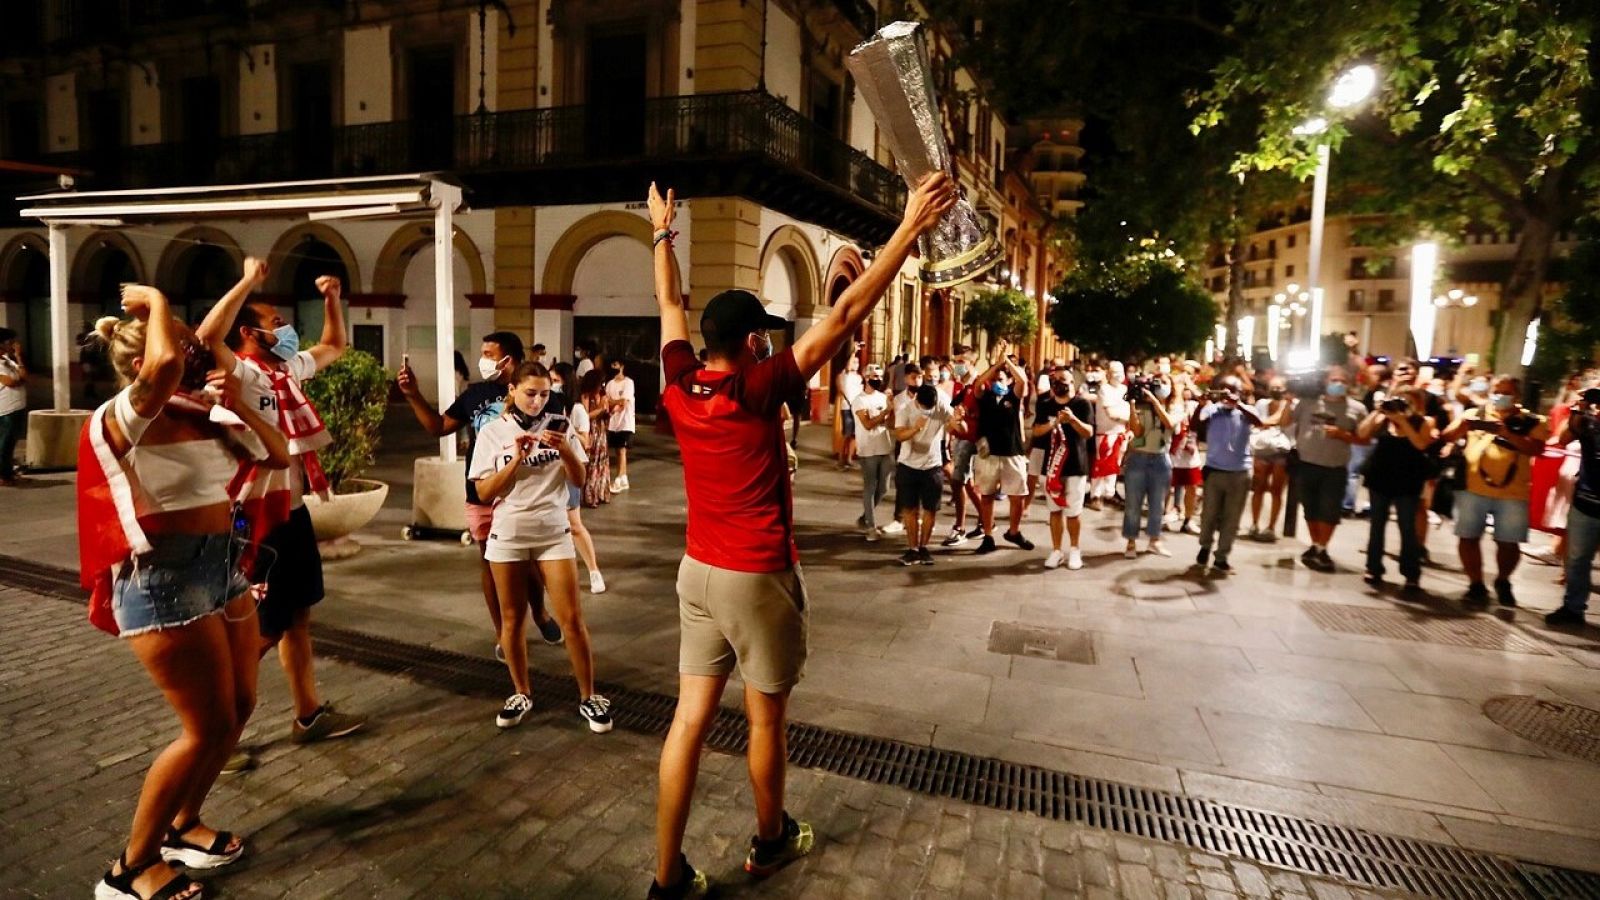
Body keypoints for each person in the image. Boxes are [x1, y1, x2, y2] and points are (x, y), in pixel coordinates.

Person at [648, 174, 955, 898]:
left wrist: (662, 230)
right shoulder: (755, 390)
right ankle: (769, 840)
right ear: (753, 340)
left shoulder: (679, 381)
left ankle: (666, 877)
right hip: (756, 578)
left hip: (697, 573)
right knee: (765, 719)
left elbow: (667, 303)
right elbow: (845, 312)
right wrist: (907, 229)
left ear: (708, 340)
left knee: (688, 719)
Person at [80, 286, 290, 900]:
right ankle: (130, 867)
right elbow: (168, 365)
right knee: (204, 726)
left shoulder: (200, 413)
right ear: (148, 362)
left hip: (221, 568)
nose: (198, 353)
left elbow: (277, 454)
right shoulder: (124, 418)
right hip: (163, 581)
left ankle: (183, 824)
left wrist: (239, 409)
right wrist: (155, 298)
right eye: (184, 341)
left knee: (240, 706)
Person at [196, 260, 365, 746]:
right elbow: (209, 337)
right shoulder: (241, 375)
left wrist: (333, 298)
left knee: (296, 617)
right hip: (254, 521)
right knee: (261, 630)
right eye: (275, 322)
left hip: (290, 514)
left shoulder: (283, 372)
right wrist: (248, 281)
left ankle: (308, 714)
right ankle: (214, 737)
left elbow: (334, 346)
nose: (286, 329)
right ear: (248, 332)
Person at [397, 332, 565, 656]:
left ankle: (540, 613)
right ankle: (502, 632)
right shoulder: (476, 394)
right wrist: (413, 394)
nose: (483, 359)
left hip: (523, 494)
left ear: (510, 360)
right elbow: (438, 426)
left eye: (490, 353)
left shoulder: (538, 395)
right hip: (483, 492)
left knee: (527, 561)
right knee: (490, 561)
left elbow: (557, 444)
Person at [469, 361, 612, 732]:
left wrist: (564, 449)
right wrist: (516, 458)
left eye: (544, 394)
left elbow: (578, 479)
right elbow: (483, 492)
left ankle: (589, 697)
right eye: (530, 393)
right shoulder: (492, 432)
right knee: (513, 619)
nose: (536, 402)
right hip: (508, 533)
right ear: (512, 391)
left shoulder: (557, 426)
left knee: (572, 619)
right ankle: (521, 692)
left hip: (553, 531)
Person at [1440, 376, 1550, 606]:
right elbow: (1447, 436)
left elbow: (1537, 449)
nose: (1500, 397)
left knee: (1509, 542)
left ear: (1517, 396)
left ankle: (1503, 579)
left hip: (1513, 492)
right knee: (1468, 537)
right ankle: (1476, 584)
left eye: (1507, 393)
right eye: (1497, 391)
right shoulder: (1475, 414)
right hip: (1472, 488)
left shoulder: (1532, 420)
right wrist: (1461, 428)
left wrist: (1509, 434)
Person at [1357, 385, 1437, 594]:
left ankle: (1411, 573)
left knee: (1407, 526)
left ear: (1418, 404)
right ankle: (1373, 567)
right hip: (1380, 476)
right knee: (1377, 525)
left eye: (1408, 401)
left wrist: (1403, 420)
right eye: (1399, 399)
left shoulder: (1423, 422)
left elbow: (1421, 445)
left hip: (1408, 480)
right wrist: (1379, 410)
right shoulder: (1384, 419)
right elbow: (1362, 432)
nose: (1402, 404)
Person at [1289, 366, 1367, 572]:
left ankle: (1323, 548)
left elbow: (1364, 438)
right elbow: (1289, 421)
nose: (1338, 384)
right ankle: (1315, 545)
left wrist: (1343, 435)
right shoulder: (1308, 403)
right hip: (1307, 464)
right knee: (1310, 508)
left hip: (1335, 467)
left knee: (1329, 510)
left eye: (1342, 381)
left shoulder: (1357, 409)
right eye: (1334, 380)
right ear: (1325, 382)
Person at [1194, 376, 1262, 574]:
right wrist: (1201, 405)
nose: (1226, 393)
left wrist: (1238, 404)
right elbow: (1196, 425)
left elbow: (1259, 422)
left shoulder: (1246, 412)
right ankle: (1205, 547)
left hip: (1239, 473)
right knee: (1209, 514)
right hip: (1215, 471)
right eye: (1222, 389)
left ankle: (1221, 557)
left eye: (1231, 389)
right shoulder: (1212, 410)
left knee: (1232, 519)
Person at [971, 340, 1034, 555]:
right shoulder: (986, 397)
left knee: (1017, 495)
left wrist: (1007, 359)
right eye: (996, 379)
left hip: (1012, 452)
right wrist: (996, 366)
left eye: (1002, 378)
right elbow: (978, 383)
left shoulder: (1013, 397)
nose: (998, 381)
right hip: (988, 454)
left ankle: (1014, 532)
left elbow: (1022, 380)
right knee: (987, 495)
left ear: (1008, 381)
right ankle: (988, 535)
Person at [1548, 386, 1600, 627]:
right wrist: (1579, 410)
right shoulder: (1588, 422)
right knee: (1577, 558)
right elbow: (1563, 438)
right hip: (1586, 501)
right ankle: (1573, 607)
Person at [552, 362, 606, 593]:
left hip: (567, 469)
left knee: (574, 524)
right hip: (546, 471)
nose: (552, 385)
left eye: (555, 380)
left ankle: (594, 571)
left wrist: (567, 429)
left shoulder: (575, 410)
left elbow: (586, 442)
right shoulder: (544, 407)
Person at [1035, 371, 1094, 569]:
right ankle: (1056, 550)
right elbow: (1036, 430)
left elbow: (1089, 432)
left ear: (1072, 383)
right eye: (1057, 381)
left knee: (1074, 512)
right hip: (1052, 466)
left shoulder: (1082, 404)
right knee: (1054, 510)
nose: (1061, 384)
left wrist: (1073, 420)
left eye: (1065, 380)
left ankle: (1075, 550)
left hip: (1075, 465)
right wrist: (1054, 423)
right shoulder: (1045, 405)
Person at [892, 382, 951, 565]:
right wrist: (916, 428)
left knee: (930, 510)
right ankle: (912, 549)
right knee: (910, 510)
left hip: (932, 466)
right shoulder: (905, 409)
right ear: (916, 400)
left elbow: (956, 425)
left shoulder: (941, 407)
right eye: (924, 407)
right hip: (908, 465)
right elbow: (899, 435)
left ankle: (924, 548)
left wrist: (959, 420)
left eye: (930, 407)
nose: (927, 411)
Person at [1122, 373, 1177, 558]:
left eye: (1164, 382)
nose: (1160, 385)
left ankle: (1155, 541)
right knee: (1132, 504)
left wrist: (1155, 402)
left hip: (1161, 460)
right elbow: (1137, 432)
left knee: (1157, 504)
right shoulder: (1141, 406)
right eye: (1157, 382)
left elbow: (1169, 424)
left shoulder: (1174, 407)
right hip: (1138, 458)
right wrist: (1132, 404)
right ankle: (1131, 543)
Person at [1248, 376, 1294, 541]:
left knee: (1276, 490)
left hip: (1281, 451)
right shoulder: (1262, 404)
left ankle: (1271, 527)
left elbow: (1284, 422)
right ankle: (1254, 523)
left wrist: (1285, 407)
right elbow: (1259, 422)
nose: (1276, 390)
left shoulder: (1291, 405)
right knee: (1259, 487)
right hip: (1262, 449)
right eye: (1273, 387)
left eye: (1279, 387)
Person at [853, 365, 894, 541]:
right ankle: (871, 526)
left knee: (884, 488)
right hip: (868, 449)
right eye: (874, 375)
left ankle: (865, 517)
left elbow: (891, 422)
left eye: (879, 375)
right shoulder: (859, 400)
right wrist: (886, 412)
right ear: (866, 377)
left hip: (885, 446)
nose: (877, 378)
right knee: (870, 487)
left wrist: (891, 410)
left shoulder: (884, 397)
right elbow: (868, 424)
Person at [1088, 361, 1130, 508]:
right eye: (1114, 371)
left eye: (1120, 371)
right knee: (1101, 463)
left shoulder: (1125, 389)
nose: (1118, 375)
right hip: (1105, 433)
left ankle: (1109, 493)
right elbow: (1111, 413)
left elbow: (1129, 408)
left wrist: (1128, 427)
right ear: (1108, 373)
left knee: (1114, 465)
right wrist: (1125, 418)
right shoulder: (1104, 389)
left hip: (1121, 432)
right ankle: (1095, 495)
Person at [1168, 380, 1204, 535]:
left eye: (1188, 388)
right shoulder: (1169, 407)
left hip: (1190, 453)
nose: (1185, 391)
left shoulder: (1195, 406)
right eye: (1182, 387)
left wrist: (1201, 401)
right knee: (1166, 487)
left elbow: (1201, 421)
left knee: (1192, 487)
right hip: (1172, 451)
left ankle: (1188, 520)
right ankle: (1164, 516)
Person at [579, 369, 612, 507]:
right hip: (591, 430)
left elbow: (606, 414)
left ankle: (601, 493)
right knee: (591, 462)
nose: (602, 386)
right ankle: (590, 496)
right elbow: (585, 415)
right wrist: (600, 409)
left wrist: (608, 411)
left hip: (601, 431)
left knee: (602, 462)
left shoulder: (602, 395)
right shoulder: (585, 396)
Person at [606, 359, 637, 492]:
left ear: (622, 366)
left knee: (622, 450)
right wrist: (613, 403)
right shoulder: (609, 384)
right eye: (612, 364)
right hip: (613, 423)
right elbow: (607, 401)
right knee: (617, 451)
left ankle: (619, 478)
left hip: (625, 422)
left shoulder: (628, 382)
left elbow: (623, 401)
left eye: (616, 364)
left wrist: (614, 402)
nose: (614, 366)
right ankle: (623, 478)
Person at [0, 327, 26, 485]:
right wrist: (19, 381)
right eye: (10, 342)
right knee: (4, 443)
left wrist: (18, 357)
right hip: (5, 409)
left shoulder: (8, 361)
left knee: (10, 443)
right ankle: (3, 475)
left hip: (17, 407)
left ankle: (8, 472)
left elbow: (24, 376)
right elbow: (10, 382)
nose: (14, 345)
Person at [835, 353, 863, 470]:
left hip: (857, 408)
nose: (856, 364)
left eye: (857, 362)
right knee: (846, 433)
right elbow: (847, 368)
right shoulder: (845, 375)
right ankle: (841, 458)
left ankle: (849, 458)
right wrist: (854, 352)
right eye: (853, 362)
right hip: (847, 407)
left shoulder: (859, 378)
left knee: (854, 435)